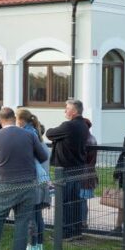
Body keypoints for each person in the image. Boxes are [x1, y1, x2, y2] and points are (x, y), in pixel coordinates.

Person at [0, 107, 47, 250]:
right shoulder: (29, 135)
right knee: (22, 221)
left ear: (0, 120)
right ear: (14, 118)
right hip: (27, 184)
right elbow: (43, 156)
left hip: (4, 183)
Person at [46, 99, 90, 239]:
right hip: (78, 167)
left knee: (64, 201)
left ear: (74, 111)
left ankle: (65, 232)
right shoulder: (83, 125)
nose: (65, 110)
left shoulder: (69, 126)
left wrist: (57, 139)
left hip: (66, 169)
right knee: (75, 200)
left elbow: (49, 133)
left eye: (67, 108)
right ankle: (76, 230)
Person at [16, 108, 51, 250]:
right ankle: (39, 245)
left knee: (30, 216)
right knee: (38, 216)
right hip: (42, 184)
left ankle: (32, 246)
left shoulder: (28, 140)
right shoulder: (42, 144)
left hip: (33, 183)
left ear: (21, 120)